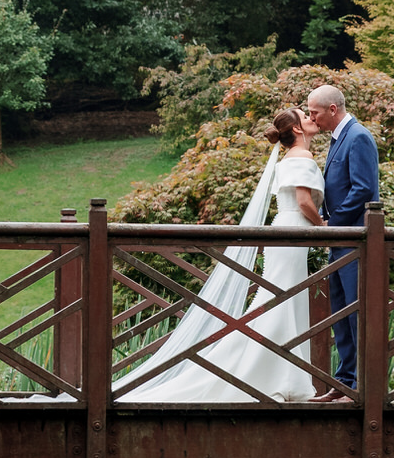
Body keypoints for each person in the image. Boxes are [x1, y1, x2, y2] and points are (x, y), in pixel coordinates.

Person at [114, 108, 325, 402]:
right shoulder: (302, 158)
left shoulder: (288, 158)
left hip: (286, 235)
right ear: (298, 130)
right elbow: (303, 201)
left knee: (280, 301)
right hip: (292, 235)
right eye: (306, 117)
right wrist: (324, 225)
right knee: (282, 302)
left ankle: (282, 375)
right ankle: (276, 376)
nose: (312, 120)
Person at [303, 84, 378, 401]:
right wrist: (323, 216)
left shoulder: (358, 137)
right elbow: (336, 188)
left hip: (355, 240)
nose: (311, 118)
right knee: (340, 314)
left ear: (332, 110)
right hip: (340, 239)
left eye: (314, 112)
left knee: (356, 312)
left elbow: (363, 189)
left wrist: (333, 223)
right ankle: (343, 383)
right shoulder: (338, 139)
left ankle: (360, 387)